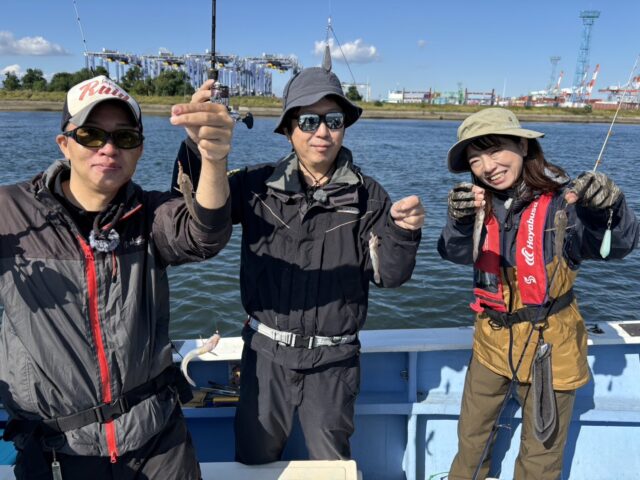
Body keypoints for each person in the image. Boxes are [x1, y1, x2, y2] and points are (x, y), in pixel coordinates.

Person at [172, 65, 425, 464]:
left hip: (334, 364)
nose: (322, 132)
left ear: (344, 128)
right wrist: (198, 148)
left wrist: (404, 233)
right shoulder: (254, 186)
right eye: (308, 121)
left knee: (331, 463)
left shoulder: (371, 197)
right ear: (289, 129)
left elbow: (391, 277)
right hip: (264, 358)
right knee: (254, 460)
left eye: (333, 121)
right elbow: (196, 219)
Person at [0, 75, 234, 479]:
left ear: (139, 150)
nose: (108, 148)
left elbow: (205, 236)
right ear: (64, 143)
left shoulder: (150, 213)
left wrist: (213, 158)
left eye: (124, 138)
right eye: (91, 134)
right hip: (55, 449)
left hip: (157, 442)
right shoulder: (10, 212)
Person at [438, 107, 639, 480]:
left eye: (495, 150)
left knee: (540, 458)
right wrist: (460, 223)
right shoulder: (477, 203)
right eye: (475, 158)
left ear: (523, 145)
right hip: (490, 341)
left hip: (551, 345)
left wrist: (607, 209)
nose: (487, 166)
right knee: (471, 442)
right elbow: (454, 253)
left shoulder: (565, 202)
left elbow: (617, 246)